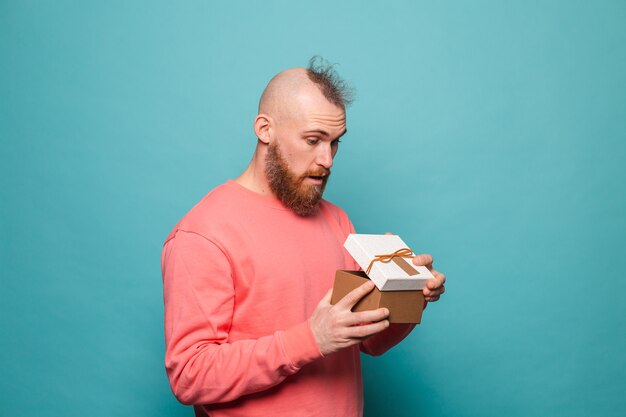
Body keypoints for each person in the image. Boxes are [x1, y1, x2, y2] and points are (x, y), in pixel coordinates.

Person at [161, 58, 446, 417]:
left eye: (335, 143)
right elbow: (190, 375)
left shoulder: (337, 219)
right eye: (313, 140)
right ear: (265, 129)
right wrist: (310, 339)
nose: (326, 159)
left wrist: (408, 296)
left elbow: (368, 340)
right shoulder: (203, 234)